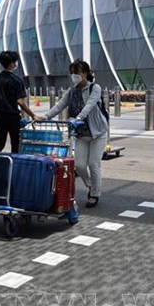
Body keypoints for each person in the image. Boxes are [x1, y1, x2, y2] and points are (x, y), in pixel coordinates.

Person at [36, 59, 108, 208]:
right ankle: (90, 186)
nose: (75, 75)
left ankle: (95, 193)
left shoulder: (95, 88)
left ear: (86, 73)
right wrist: (45, 117)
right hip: (81, 134)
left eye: (78, 72)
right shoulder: (71, 91)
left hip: (98, 133)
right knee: (80, 165)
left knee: (94, 164)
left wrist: (79, 118)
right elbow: (59, 105)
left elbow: (90, 104)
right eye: (73, 73)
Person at [0, 51, 38, 153]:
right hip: (12, 117)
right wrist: (33, 115)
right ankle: (13, 166)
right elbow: (20, 102)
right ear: (12, 63)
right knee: (16, 144)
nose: (16, 64)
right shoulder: (16, 80)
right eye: (15, 61)